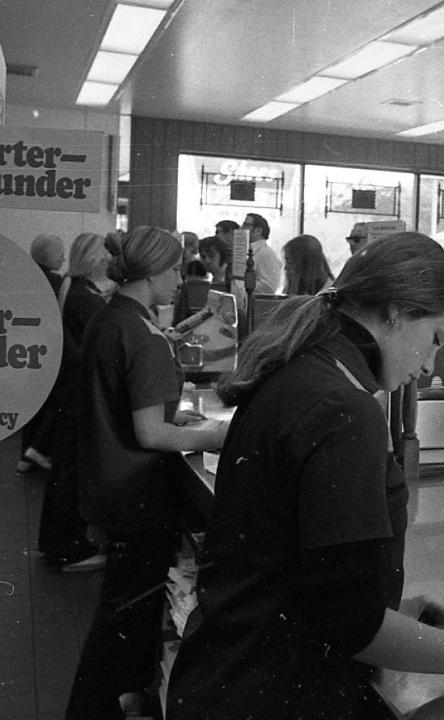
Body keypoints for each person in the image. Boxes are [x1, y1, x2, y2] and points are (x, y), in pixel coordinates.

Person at [166, 233, 444, 720]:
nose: (428, 365)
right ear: (398, 312)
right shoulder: (345, 410)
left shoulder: (301, 370)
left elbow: (302, 571)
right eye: (436, 339)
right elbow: (352, 626)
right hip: (272, 693)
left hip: (226, 673)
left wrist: (388, 607)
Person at [66, 226, 229, 720]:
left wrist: (170, 414)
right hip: (135, 493)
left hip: (104, 483)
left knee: (122, 604)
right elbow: (151, 435)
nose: (180, 280)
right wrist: (214, 436)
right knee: (127, 609)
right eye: (175, 270)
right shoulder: (143, 334)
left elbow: (124, 403)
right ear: (154, 272)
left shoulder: (109, 317)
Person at [37, 233, 112, 570]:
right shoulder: (88, 299)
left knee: (62, 471)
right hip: (81, 395)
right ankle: (68, 546)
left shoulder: (71, 288)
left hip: (67, 391)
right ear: (96, 260)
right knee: (71, 474)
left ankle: (55, 541)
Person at [17, 233, 67, 473]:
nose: (64, 257)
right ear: (50, 257)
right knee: (55, 401)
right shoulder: (56, 283)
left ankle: (27, 455)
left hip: (23, 350)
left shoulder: (22, 276)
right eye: (61, 253)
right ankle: (37, 451)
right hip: (47, 349)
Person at [242, 213, 283, 294]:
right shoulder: (247, 250)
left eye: (246, 225)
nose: (241, 228)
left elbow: (269, 287)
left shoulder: (267, 254)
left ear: (258, 230)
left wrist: (241, 284)